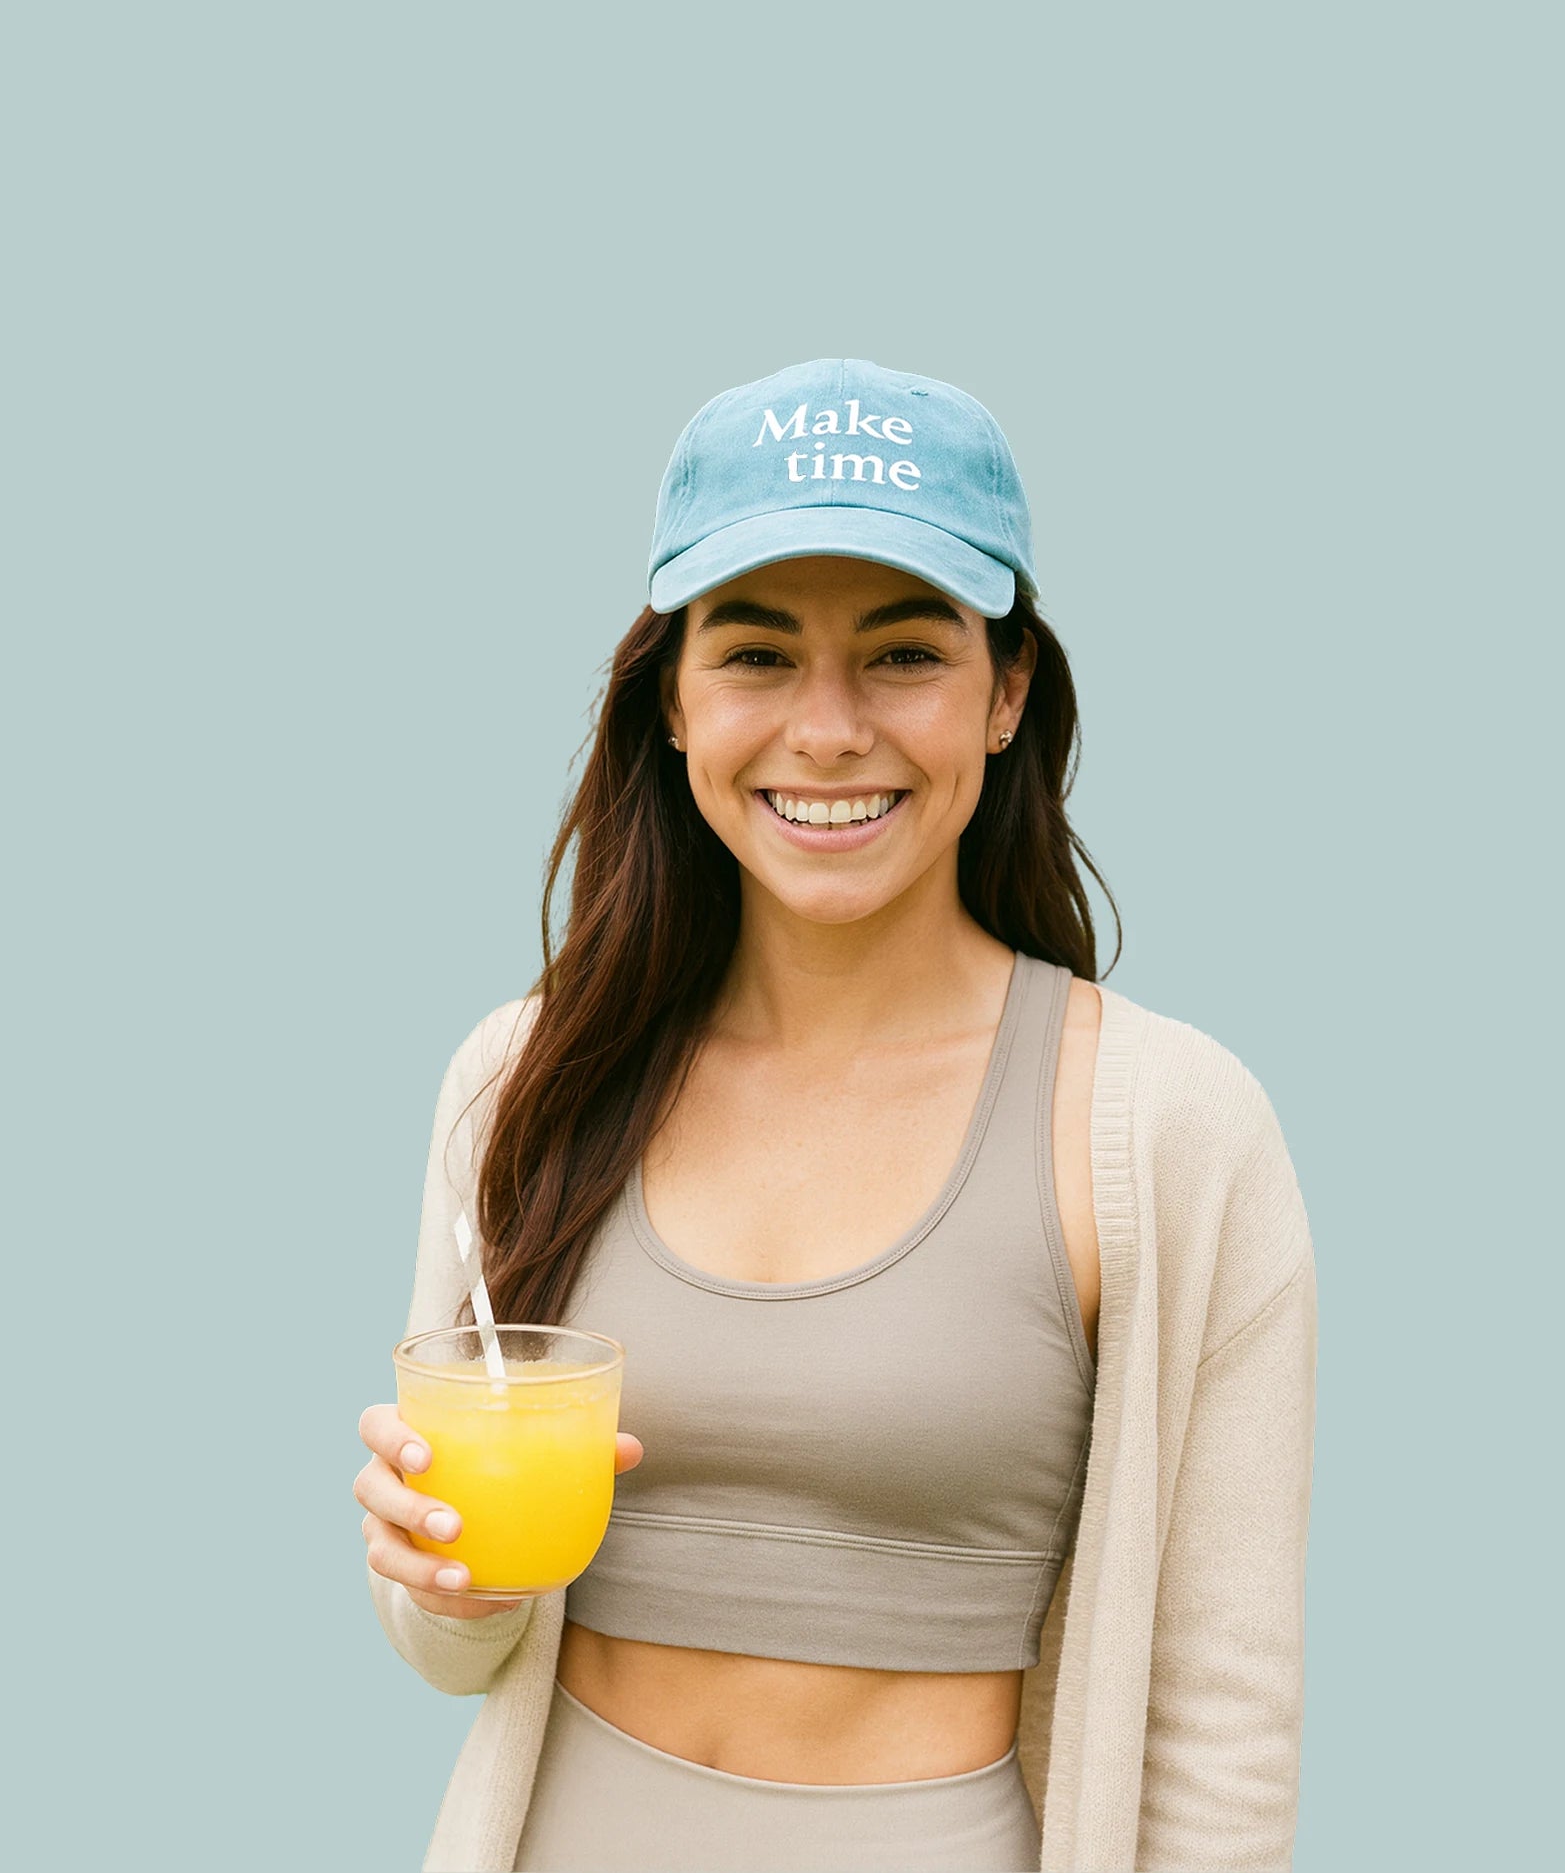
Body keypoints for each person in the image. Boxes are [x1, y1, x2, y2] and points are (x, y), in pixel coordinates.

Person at [357, 359, 1317, 1872]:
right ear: (670, 701)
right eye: (753, 654)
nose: (826, 729)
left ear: (1005, 694)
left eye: (901, 655)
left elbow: (1220, 1718)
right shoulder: (524, 1077)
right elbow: (451, 1646)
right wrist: (444, 1583)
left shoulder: (1173, 1128)